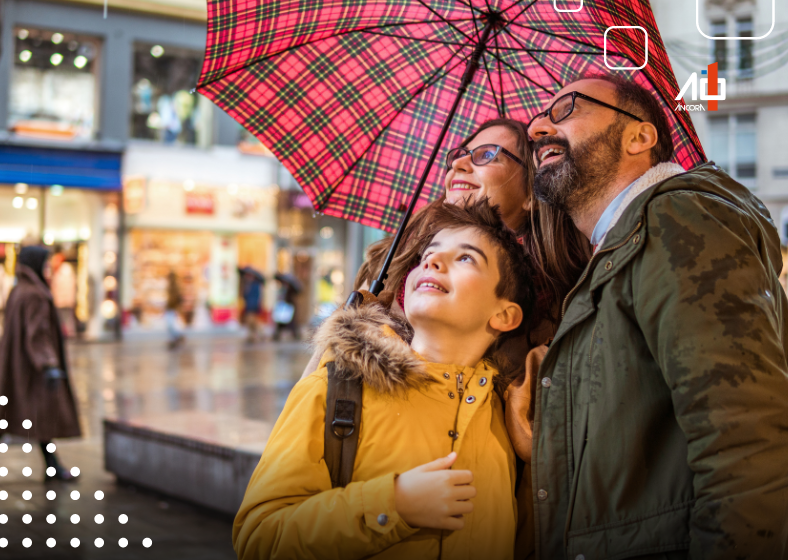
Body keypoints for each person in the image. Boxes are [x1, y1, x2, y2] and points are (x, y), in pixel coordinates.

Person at [519, 73, 788, 559]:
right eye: (539, 116)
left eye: (565, 109)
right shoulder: (623, 245)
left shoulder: (677, 218)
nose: (537, 127)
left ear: (639, 136)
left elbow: (744, 439)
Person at [234, 200, 534, 559]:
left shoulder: (508, 420)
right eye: (430, 253)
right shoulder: (337, 389)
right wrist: (393, 504)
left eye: (466, 258)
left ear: (504, 314)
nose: (432, 262)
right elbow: (258, 538)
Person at [303, 118, 590, 377]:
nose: (459, 165)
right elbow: (310, 396)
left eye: (487, 155)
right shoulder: (397, 260)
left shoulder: (553, 301)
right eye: (459, 155)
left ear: (530, 193)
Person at [0, 246, 80, 481]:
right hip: (31, 369)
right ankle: (53, 466)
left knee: (31, 419)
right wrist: (48, 364)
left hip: (18, 365)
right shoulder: (35, 294)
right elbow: (38, 334)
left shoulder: (19, 289)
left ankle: (53, 465)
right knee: (38, 417)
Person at [240, 268, 264, 344]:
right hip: (248, 305)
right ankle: (254, 335)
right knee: (251, 322)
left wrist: (256, 306)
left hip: (253, 306)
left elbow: (257, 297)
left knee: (252, 321)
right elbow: (245, 296)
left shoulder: (256, 285)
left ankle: (258, 334)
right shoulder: (247, 285)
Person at [165, 269, 184, 349]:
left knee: (171, 325)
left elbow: (176, 299)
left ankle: (176, 338)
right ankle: (175, 339)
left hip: (172, 308)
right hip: (172, 308)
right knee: (171, 325)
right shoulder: (171, 287)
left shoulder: (174, 287)